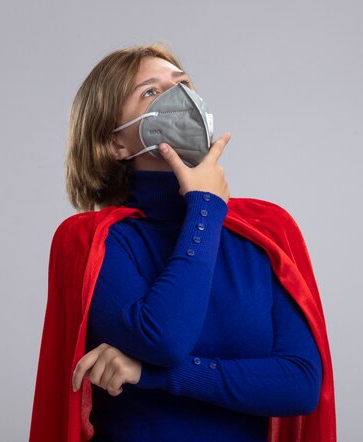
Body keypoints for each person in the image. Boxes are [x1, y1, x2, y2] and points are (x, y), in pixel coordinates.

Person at [30, 44, 335, 442]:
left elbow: (300, 384)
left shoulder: (268, 229)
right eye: (150, 92)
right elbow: (163, 339)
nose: (181, 99)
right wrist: (205, 207)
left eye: (183, 84)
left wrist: (149, 375)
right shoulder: (92, 241)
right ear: (116, 144)